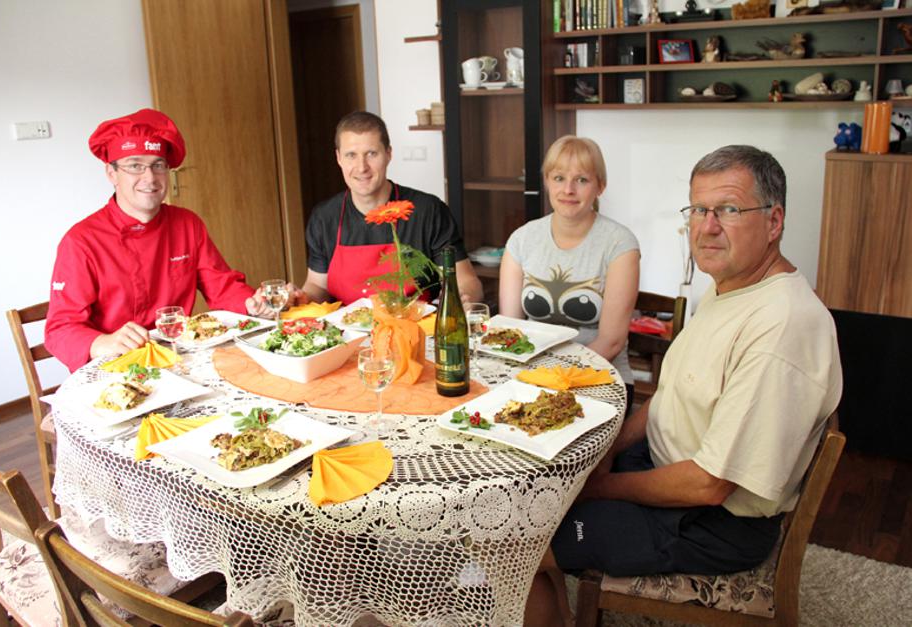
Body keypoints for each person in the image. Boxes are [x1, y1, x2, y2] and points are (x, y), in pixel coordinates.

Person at [525, 145, 843, 626]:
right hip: (665, 466)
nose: (707, 226)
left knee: (524, 540)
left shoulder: (781, 326)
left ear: (774, 221)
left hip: (709, 522)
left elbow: (710, 484)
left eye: (729, 209)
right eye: (698, 209)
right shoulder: (730, 285)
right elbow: (671, 396)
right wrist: (610, 449)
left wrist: (599, 486)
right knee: (537, 490)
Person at [45, 108, 271, 371]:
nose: (150, 177)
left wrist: (252, 302)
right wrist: (103, 342)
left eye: (158, 165)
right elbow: (60, 329)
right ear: (111, 173)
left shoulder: (187, 223)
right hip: (117, 368)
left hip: (179, 357)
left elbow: (221, 286)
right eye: (135, 166)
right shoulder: (81, 241)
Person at [499, 136, 639, 406]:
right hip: (532, 375)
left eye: (582, 180)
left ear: (600, 186)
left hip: (599, 375)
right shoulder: (521, 239)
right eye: (559, 178)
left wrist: (555, 379)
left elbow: (611, 341)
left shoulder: (620, 244)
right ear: (547, 182)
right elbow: (511, 327)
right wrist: (535, 379)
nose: (568, 190)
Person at [292, 111, 483, 306]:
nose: (361, 167)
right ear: (338, 158)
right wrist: (302, 298)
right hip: (345, 325)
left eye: (371, 154)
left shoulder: (428, 211)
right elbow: (318, 286)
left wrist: (461, 298)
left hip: (416, 323)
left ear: (388, 154)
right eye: (351, 155)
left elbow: (467, 281)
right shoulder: (324, 217)